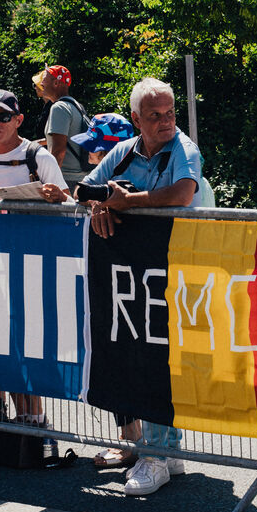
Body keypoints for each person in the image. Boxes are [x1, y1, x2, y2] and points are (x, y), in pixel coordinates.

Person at [77, 78, 203, 496]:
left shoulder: (184, 149)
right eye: (155, 116)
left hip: (179, 269)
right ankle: (165, 453)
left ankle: (157, 455)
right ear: (136, 119)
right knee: (144, 354)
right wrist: (99, 205)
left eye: (171, 113)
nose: (166, 121)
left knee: (161, 359)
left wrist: (124, 202)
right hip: (137, 273)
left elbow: (183, 194)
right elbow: (83, 188)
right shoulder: (123, 150)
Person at [0, 89, 71, 428]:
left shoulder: (37, 156)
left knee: (25, 340)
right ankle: (12, 416)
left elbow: (69, 205)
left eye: (3, 116)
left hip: (31, 264)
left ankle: (34, 421)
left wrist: (55, 198)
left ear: (18, 120)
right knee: (0, 340)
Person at [72, 112, 142, 468]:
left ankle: (137, 445)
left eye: (97, 149)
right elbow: (81, 192)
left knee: (127, 357)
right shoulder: (106, 183)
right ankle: (134, 441)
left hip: (133, 284)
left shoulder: (134, 180)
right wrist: (96, 201)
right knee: (115, 354)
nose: (90, 156)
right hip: (114, 280)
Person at [39, 64, 92, 193]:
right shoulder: (75, 105)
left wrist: (50, 180)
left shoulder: (59, 108)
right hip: (80, 177)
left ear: (56, 83)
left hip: (66, 179)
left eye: (44, 79)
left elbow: (58, 150)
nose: (41, 84)